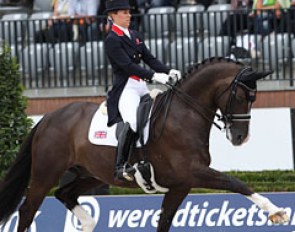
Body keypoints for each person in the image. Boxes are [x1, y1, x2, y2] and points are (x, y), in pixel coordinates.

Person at [104, 0, 181, 181]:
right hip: (126, 87)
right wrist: (154, 77)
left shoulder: (135, 35)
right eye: (124, 13)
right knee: (132, 121)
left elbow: (150, 59)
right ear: (113, 15)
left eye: (129, 12)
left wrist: (168, 70)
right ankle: (120, 166)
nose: (128, 15)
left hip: (141, 85)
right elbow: (128, 66)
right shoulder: (112, 40)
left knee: (156, 117)